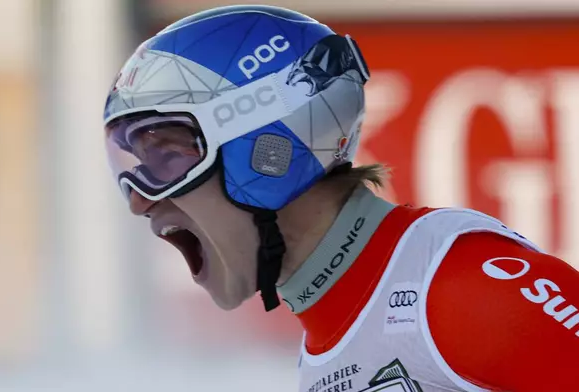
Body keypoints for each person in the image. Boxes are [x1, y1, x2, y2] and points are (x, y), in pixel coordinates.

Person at [102, 5, 579, 391]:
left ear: (268, 153)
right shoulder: (330, 346)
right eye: (134, 167)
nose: (140, 200)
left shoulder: (465, 290)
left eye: (165, 155)